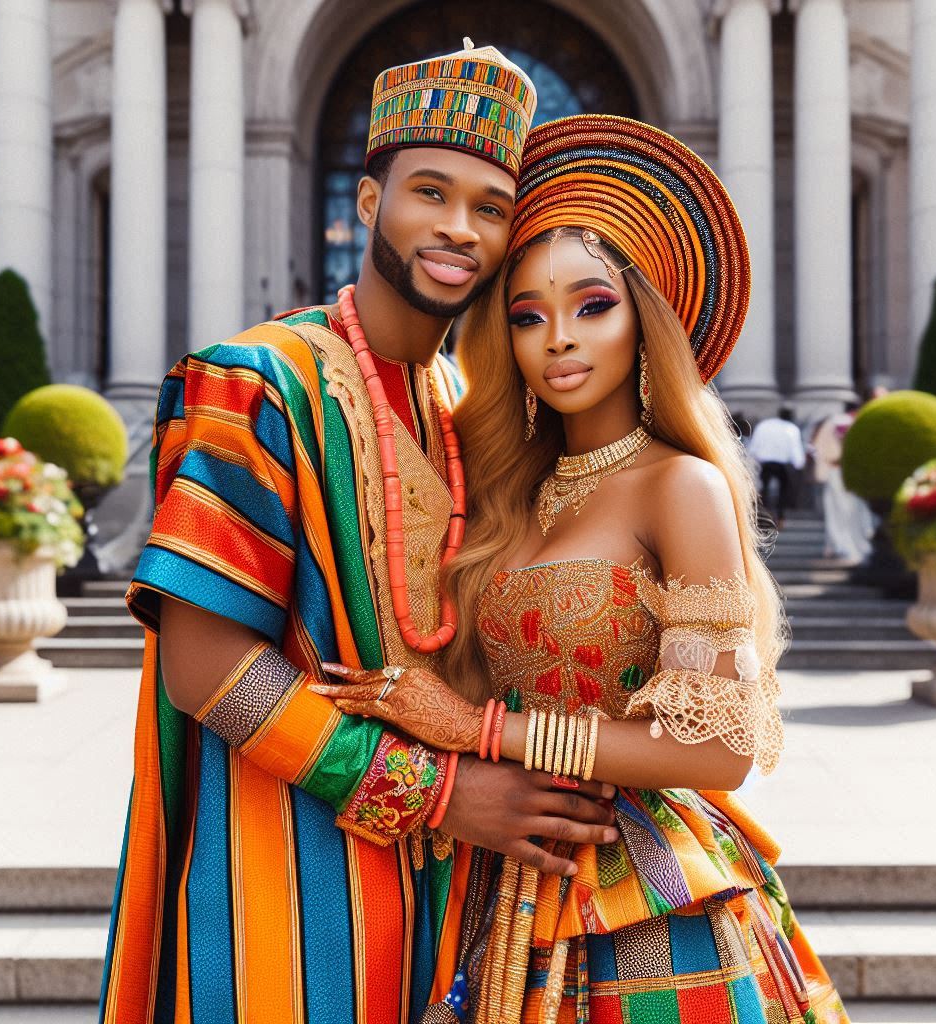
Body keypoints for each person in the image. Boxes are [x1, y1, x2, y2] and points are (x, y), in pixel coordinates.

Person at [98, 44, 620, 1024]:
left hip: (452, 906)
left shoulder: (466, 409)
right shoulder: (257, 380)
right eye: (432, 191)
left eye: (492, 207)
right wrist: (433, 791)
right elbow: (204, 663)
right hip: (283, 893)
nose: (460, 228)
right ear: (370, 201)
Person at [315, 115, 847, 1023]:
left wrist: (481, 732)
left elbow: (718, 752)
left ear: (644, 321)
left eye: (591, 305)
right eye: (528, 315)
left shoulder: (679, 486)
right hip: (499, 886)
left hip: (647, 895)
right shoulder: (499, 494)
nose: (558, 338)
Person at [810, 403, 874, 562]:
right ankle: (842, 544)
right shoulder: (848, 422)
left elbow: (818, 448)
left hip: (834, 470)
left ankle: (835, 545)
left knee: (835, 510)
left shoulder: (832, 422)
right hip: (845, 471)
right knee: (848, 510)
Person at [748, 405, 806, 528]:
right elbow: (795, 450)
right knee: (783, 492)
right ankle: (780, 518)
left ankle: (764, 516)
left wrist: (754, 457)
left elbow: (755, 445)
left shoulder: (765, 425)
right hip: (782, 465)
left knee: (764, 490)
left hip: (766, 463)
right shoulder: (792, 428)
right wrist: (799, 463)